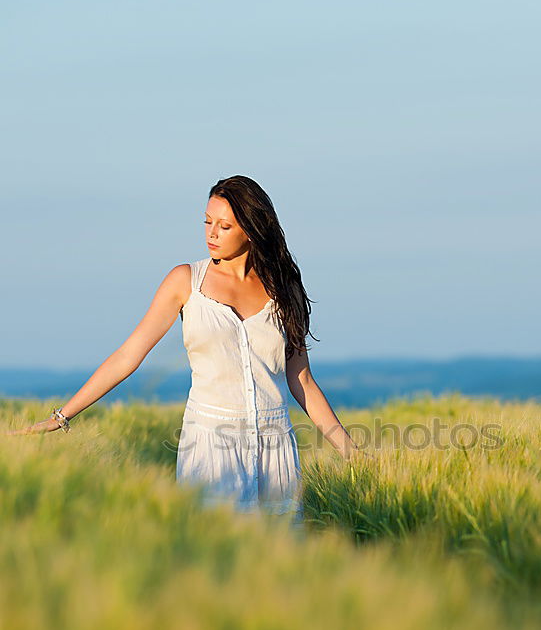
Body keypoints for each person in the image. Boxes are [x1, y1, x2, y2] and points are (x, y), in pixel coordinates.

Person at [6, 175, 364, 523]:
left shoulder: (285, 290)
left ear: (252, 229)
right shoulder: (185, 281)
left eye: (224, 226)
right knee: (211, 564)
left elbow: (301, 380)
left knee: (278, 567)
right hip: (210, 449)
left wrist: (352, 453)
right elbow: (128, 356)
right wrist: (60, 417)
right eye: (207, 222)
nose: (211, 233)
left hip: (276, 450)